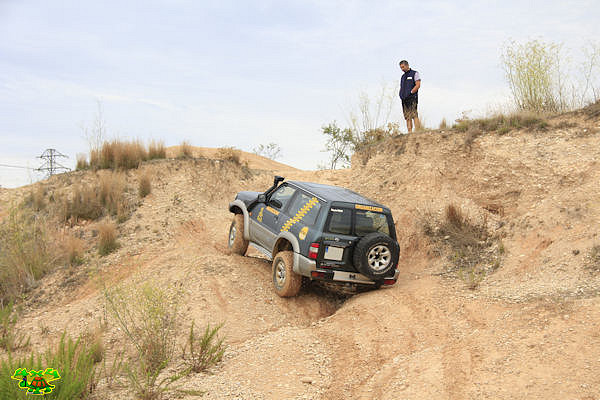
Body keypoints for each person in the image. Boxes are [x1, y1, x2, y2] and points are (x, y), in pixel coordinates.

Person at [398, 60, 422, 133]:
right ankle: (409, 132)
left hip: (412, 97)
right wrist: (401, 94)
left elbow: (418, 85)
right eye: (401, 67)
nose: (402, 69)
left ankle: (418, 131)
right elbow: (401, 87)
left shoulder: (415, 73)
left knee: (414, 114)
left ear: (407, 65)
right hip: (404, 99)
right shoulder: (403, 77)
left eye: (403, 67)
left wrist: (411, 92)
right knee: (407, 116)